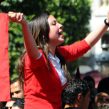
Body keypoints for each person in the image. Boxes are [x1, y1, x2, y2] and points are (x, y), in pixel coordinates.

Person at [8, 10, 109, 109]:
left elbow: (85, 44)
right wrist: (24, 24)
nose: (60, 25)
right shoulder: (36, 56)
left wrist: (106, 23)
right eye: (54, 23)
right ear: (43, 33)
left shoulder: (59, 53)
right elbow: (31, 49)